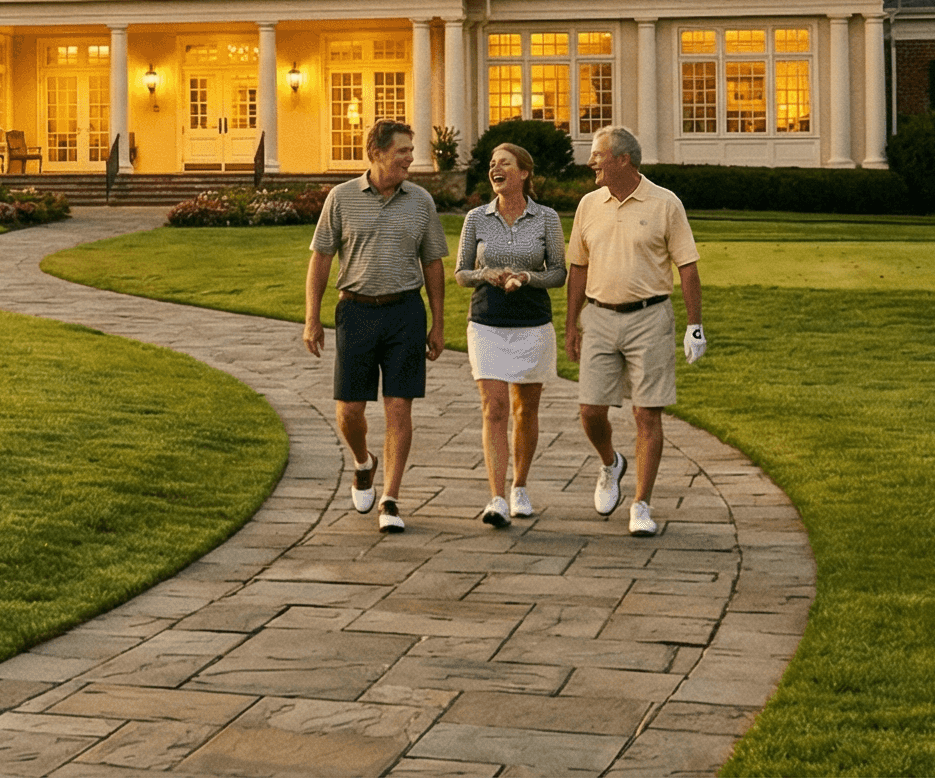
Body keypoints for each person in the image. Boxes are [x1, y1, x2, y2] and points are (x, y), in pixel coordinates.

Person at [302, 119, 448, 533]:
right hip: (356, 312)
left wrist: (438, 324)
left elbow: (433, 263)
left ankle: (391, 499)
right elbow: (321, 260)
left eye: (410, 151)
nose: (410, 158)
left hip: (405, 312)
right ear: (378, 153)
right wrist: (312, 318)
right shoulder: (342, 198)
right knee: (349, 410)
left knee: (399, 408)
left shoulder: (420, 201)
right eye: (402, 151)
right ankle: (363, 462)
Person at [564, 124, 706, 537]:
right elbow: (578, 267)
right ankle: (611, 463)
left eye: (598, 155)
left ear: (623, 159)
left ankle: (641, 504)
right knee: (590, 411)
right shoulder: (589, 205)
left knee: (647, 414)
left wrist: (695, 326)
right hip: (600, 317)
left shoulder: (666, 204)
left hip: (651, 318)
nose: (591, 162)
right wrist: (571, 323)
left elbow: (688, 267)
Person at [456, 142, 563, 528]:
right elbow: (461, 273)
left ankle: (520, 486)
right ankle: (497, 497)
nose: (495, 169)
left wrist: (527, 278)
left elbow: (559, 273)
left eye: (504, 163)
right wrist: (487, 274)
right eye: (492, 164)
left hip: (533, 323)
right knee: (494, 408)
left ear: (524, 173)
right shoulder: (476, 219)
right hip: (487, 322)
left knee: (525, 409)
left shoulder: (547, 218)